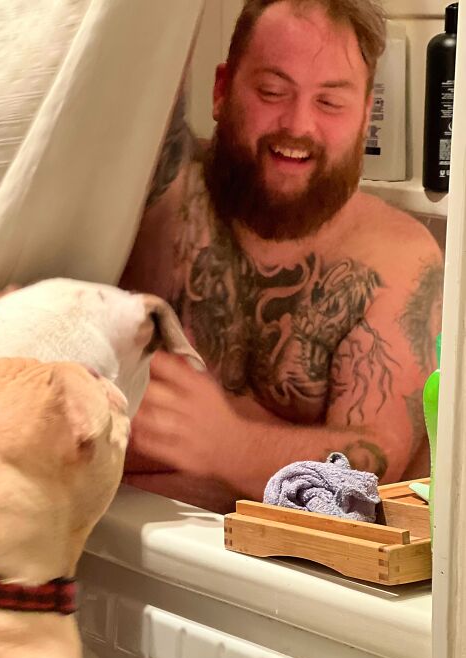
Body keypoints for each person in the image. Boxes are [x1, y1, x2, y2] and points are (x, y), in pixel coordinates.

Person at [120, 0, 444, 512]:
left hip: (286, 581)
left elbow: (375, 466)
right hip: (119, 553)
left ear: (365, 114)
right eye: (272, 92)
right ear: (222, 90)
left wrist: (226, 444)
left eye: (330, 103)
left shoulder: (397, 260)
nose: (298, 125)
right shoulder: (154, 196)